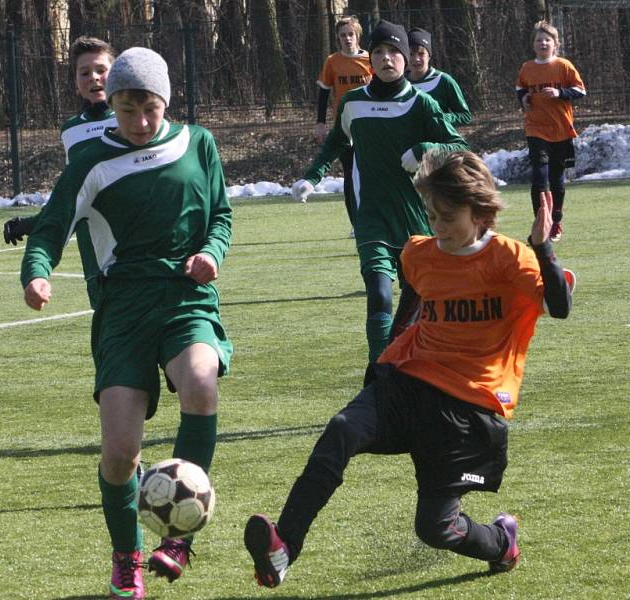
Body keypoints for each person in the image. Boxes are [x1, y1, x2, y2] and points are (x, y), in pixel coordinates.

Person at [244, 149, 574, 588]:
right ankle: (285, 546)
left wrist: (542, 247)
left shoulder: (510, 259)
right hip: (407, 381)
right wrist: (381, 366)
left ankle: (501, 542)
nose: (437, 227)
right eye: (430, 215)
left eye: (447, 216)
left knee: (435, 528)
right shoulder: (419, 254)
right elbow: (412, 308)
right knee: (342, 429)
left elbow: (559, 306)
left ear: (480, 212)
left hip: (469, 404)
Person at [19, 47, 233, 600]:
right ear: (110, 104)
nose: (139, 123)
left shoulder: (198, 143)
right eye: (126, 110)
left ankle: (181, 536)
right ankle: (126, 558)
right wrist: (37, 272)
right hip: (123, 311)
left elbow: (222, 217)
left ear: (166, 102)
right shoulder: (90, 161)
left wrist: (212, 251)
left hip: (186, 298)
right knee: (119, 455)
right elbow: (49, 228)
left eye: (150, 110)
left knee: (202, 382)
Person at [292, 20, 469, 366]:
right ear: (369, 59)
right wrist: (311, 177)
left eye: (393, 52)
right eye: (378, 52)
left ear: (405, 58)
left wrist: (424, 149)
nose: (386, 58)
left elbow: (458, 146)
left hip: (415, 218)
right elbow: (336, 142)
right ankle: (377, 371)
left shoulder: (422, 104)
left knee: (414, 301)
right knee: (379, 295)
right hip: (370, 216)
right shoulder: (354, 103)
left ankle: (406, 368)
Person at [3, 36, 118, 309]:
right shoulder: (71, 130)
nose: (94, 78)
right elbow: (77, 195)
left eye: (101, 70)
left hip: (134, 238)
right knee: (108, 327)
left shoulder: (135, 120)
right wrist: (36, 223)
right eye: (85, 73)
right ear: (76, 84)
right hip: (92, 246)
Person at [515, 20, 585, 242]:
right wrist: (524, 98)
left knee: (556, 179)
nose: (543, 43)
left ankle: (555, 221)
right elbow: (520, 88)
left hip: (561, 130)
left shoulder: (563, 66)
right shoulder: (527, 67)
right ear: (533, 44)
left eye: (547, 39)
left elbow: (580, 90)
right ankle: (540, 222)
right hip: (535, 129)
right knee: (539, 177)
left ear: (555, 44)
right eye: (538, 40)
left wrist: (560, 93)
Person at [315, 15, 372, 233]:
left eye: (350, 34)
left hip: (368, 127)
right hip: (344, 128)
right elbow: (323, 93)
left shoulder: (370, 61)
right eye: (342, 35)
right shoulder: (332, 62)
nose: (347, 39)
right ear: (338, 38)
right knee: (349, 175)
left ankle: (371, 219)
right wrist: (320, 123)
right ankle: (356, 224)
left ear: (357, 35)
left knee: (368, 174)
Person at [406, 27, 472, 128]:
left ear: (429, 56)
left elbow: (465, 116)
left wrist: (440, 119)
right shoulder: (400, 83)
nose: (416, 59)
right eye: (411, 54)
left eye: (421, 54)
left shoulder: (444, 80)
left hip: (439, 142)